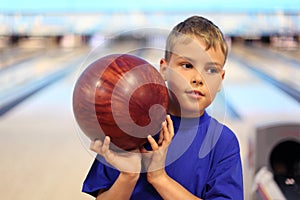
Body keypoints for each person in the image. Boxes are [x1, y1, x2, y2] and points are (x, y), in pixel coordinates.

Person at [82, 15, 244, 199]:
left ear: (221, 79)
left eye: (211, 70)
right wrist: (128, 176)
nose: (198, 78)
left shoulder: (223, 142)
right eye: (187, 65)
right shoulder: (127, 123)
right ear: (164, 69)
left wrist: (159, 178)